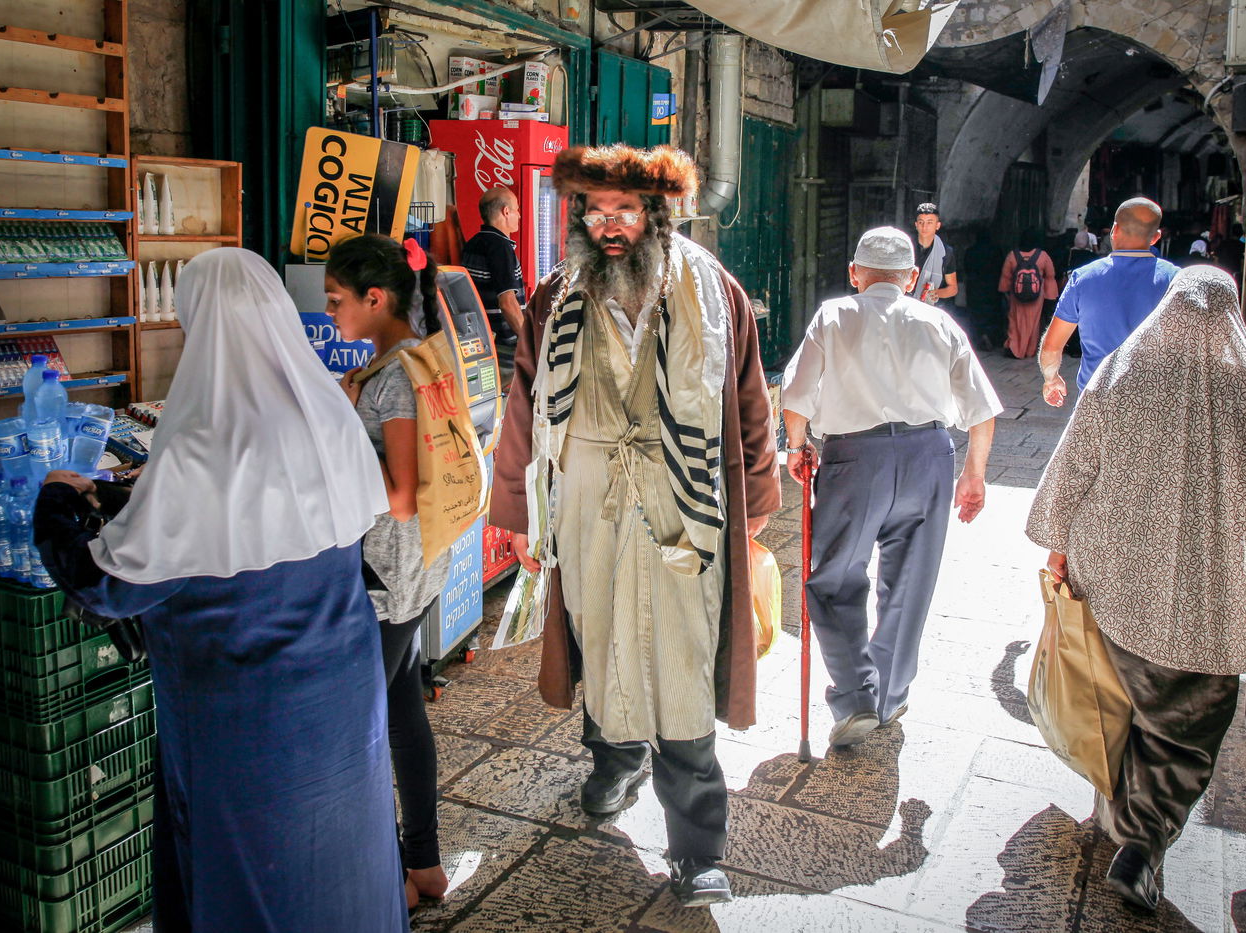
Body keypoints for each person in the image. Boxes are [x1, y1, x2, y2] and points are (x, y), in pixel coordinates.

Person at [32, 248, 407, 933]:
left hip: (244, 720)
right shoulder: (330, 419)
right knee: (344, 850)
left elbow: (105, 584)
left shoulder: (198, 448)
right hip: (343, 691)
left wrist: (56, 501)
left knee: (249, 872)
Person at [490, 144, 780, 907]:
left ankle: (697, 845)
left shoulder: (713, 290)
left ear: (655, 213)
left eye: (623, 210)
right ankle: (613, 762)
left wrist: (750, 507)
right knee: (600, 636)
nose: (607, 223)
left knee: (682, 658)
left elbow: (749, 403)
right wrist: (519, 514)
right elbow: (524, 401)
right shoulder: (555, 295)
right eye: (594, 209)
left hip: (685, 500)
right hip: (586, 497)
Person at [1025, 266, 1246, 911]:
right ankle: (1143, 845)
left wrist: (1059, 544)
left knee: (1121, 704)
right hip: (1209, 608)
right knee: (1184, 730)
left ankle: (1122, 821)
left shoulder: (1125, 373)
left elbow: (1074, 462)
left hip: (1117, 585)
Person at [781, 227, 1002, 747]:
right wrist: (973, 474)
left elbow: (795, 394)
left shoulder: (835, 316)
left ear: (854, 274)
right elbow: (982, 410)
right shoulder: (938, 322)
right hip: (929, 456)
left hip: (856, 460)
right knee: (909, 583)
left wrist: (797, 445)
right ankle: (890, 694)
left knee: (834, 577)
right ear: (909, 278)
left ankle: (858, 692)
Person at [326, 233, 454, 909]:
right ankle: (424, 866)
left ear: (376, 299)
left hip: (388, 577)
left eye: (337, 299)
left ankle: (382, 882)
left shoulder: (393, 378)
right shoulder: (416, 356)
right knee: (403, 717)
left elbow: (400, 495)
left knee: (359, 735)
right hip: (417, 570)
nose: (330, 314)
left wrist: (345, 426)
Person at [1038, 197, 1180, 407]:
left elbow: (1051, 347)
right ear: (1156, 237)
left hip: (1097, 400)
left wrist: (1051, 379)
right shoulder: (1176, 279)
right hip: (1156, 402)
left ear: (1114, 230)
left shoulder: (1082, 279)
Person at [460, 185, 525, 343]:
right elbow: (507, 302)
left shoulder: (474, 243)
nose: (520, 215)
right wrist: (529, 342)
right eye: (516, 210)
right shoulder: (500, 247)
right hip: (503, 343)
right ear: (506, 212)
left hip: (481, 338)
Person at [999, 228, 1058, 359]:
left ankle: (1015, 348)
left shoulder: (1012, 255)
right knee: (1034, 323)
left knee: (1015, 321)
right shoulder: (1043, 256)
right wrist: (1050, 296)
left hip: (1017, 296)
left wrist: (1004, 292)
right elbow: (1050, 277)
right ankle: (1029, 350)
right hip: (1036, 297)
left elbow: (1006, 277)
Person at [908, 202, 958, 307]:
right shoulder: (906, 247)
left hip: (932, 307)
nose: (924, 227)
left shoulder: (946, 253)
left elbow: (953, 288)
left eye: (929, 222)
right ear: (916, 225)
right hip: (906, 303)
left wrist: (937, 293)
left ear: (937, 225)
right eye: (921, 222)